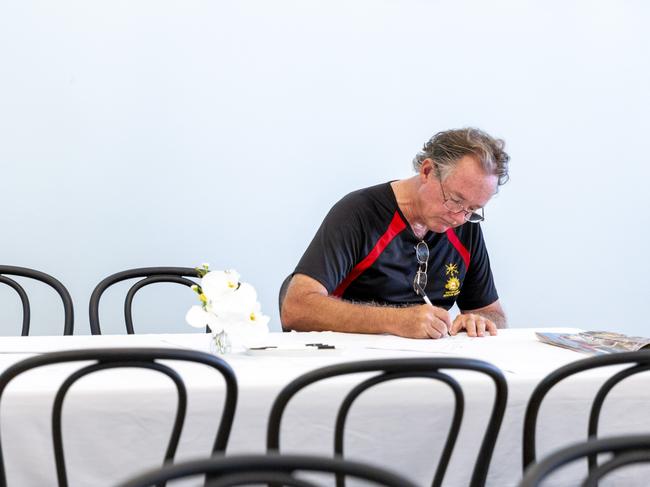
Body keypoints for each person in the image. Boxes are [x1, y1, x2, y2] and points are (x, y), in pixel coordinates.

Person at [281, 127, 510, 339]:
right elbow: (296, 307)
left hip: (426, 366)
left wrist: (480, 321)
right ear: (427, 171)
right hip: (347, 364)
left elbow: (494, 315)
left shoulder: (465, 227)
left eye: (472, 209)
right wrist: (396, 320)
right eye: (455, 200)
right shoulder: (359, 213)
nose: (460, 218)